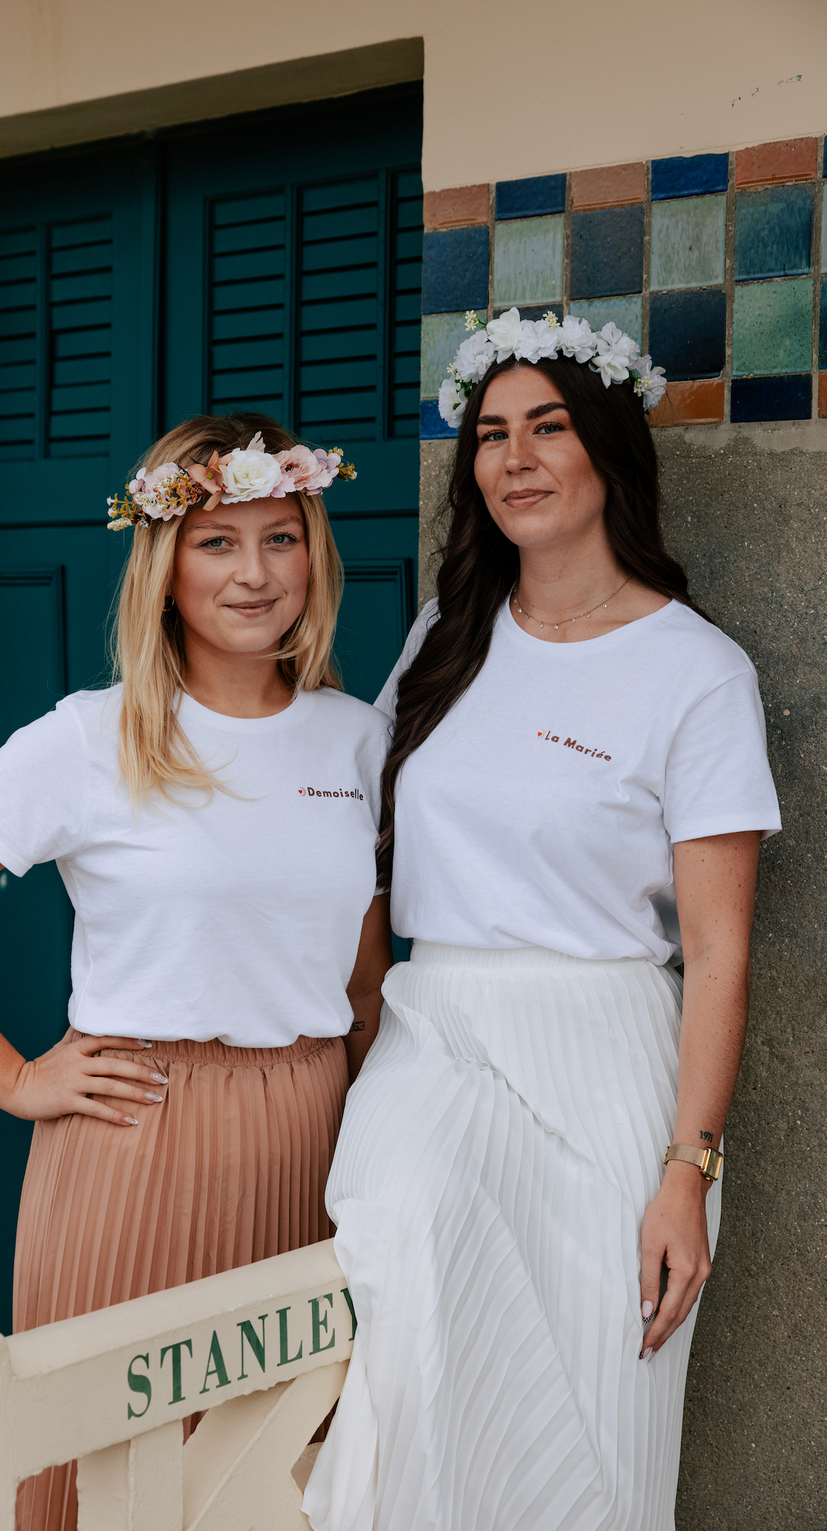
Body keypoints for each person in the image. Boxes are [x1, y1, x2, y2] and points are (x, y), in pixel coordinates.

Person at [0, 413, 394, 1531]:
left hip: (312, 1130)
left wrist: (374, 1136)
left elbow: (365, 975)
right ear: (163, 563)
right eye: (216, 543)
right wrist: (11, 1078)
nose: (254, 573)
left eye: (280, 539)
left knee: (272, 1468)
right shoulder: (91, 738)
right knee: (96, 1460)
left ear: (314, 555)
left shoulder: (356, 738)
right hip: (138, 1132)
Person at [303, 310, 781, 1531]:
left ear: (607, 448)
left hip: (610, 1061)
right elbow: (353, 846)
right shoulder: (442, 638)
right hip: (436, 1031)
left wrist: (687, 1170)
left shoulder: (697, 671)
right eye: (491, 433)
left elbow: (720, 947)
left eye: (547, 428)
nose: (513, 457)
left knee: (599, 1445)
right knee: (405, 1310)